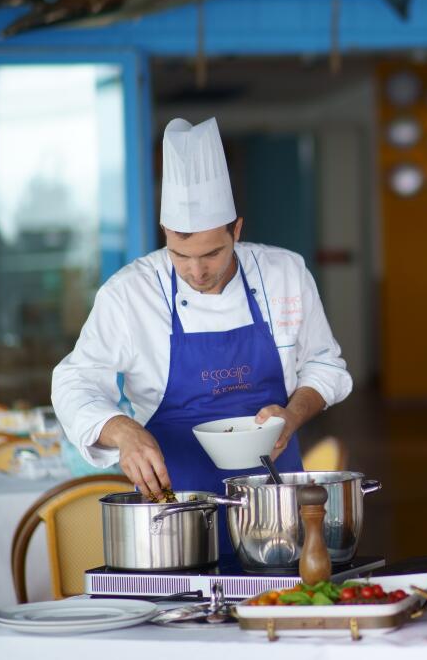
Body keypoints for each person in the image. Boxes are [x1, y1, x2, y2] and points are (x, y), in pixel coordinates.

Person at [52, 117, 352, 498]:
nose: (196, 271)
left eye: (212, 253)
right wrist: (122, 430)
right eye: (180, 255)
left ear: (237, 231)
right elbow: (74, 381)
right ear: (165, 234)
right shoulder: (129, 293)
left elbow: (325, 364)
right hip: (178, 503)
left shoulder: (285, 273)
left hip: (276, 496)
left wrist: (292, 416)